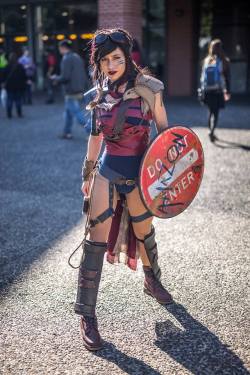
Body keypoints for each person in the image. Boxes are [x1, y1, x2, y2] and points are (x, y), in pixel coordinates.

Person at [73, 28, 173, 351]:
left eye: (117, 58)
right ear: (99, 64)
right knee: (95, 239)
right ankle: (87, 315)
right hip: (107, 168)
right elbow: (95, 139)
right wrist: (88, 173)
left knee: (145, 231)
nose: (112, 64)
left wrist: (166, 174)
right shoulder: (97, 95)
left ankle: (152, 279)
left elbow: (166, 135)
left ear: (127, 58)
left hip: (139, 170)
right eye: (105, 60)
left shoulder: (149, 90)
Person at [50, 39, 89, 139]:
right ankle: (67, 132)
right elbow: (83, 73)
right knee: (68, 113)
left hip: (70, 90)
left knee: (77, 113)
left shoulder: (66, 58)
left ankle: (91, 131)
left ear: (63, 48)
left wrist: (56, 78)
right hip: (79, 88)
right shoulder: (77, 57)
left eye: (60, 48)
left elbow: (65, 77)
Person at [200, 39, 231, 142]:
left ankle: (210, 130)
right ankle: (212, 132)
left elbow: (202, 77)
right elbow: (225, 77)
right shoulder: (223, 60)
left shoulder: (206, 60)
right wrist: (227, 90)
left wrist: (202, 89)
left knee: (210, 112)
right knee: (216, 113)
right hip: (217, 90)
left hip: (207, 90)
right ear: (220, 48)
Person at [3, 52, 27, 118]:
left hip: (9, 86)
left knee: (9, 99)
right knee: (18, 100)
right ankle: (19, 113)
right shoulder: (20, 66)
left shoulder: (7, 67)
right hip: (18, 86)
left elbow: (3, 76)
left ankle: (9, 114)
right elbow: (24, 76)